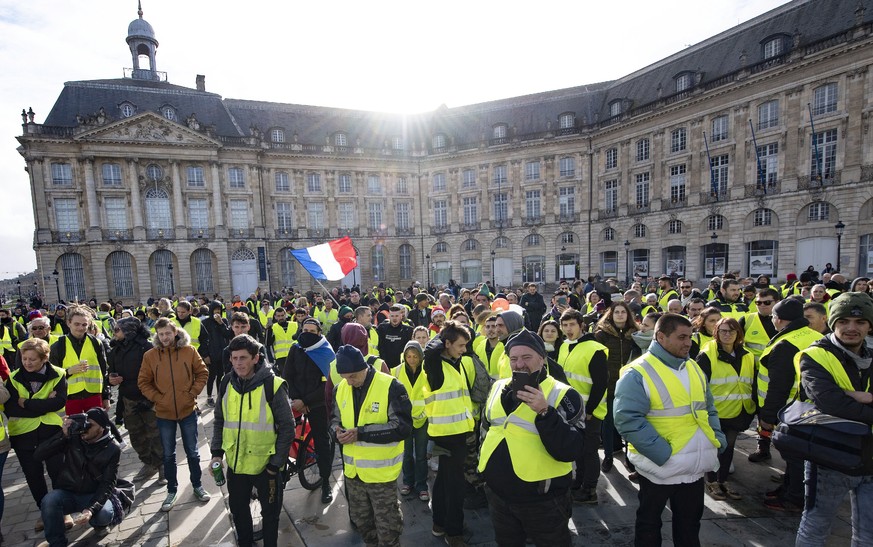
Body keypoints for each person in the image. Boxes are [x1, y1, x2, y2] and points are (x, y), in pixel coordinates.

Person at [614, 314, 726, 547]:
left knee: (689, 526)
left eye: (691, 336)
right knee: (649, 525)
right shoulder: (638, 372)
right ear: (661, 337)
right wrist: (663, 455)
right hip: (659, 468)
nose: (689, 343)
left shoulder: (693, 367)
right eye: (682, 337)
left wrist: (717, 440)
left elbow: (709, 409)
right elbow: (627, 419)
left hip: (693, 467)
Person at [478, 329, 585, 547]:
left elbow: (572, 449)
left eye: (526, 357)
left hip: (543, 500)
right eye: (514, 358)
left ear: (542, 359)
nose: (519, 364)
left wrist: (545, 412)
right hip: (499, 497)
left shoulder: (564, 395)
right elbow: (486, 429)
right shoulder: (498, 386)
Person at [795, 292, 873, 545]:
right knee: (815, 527)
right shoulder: (815, 355)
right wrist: (852, 398)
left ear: (869, 325)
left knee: (868, 533)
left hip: (870, 457)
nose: (851, 328)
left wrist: (853, 396)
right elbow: (832, 404)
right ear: (833, 323)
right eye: (844, 321)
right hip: (830, 457)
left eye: (859, 322)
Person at [210, 334, 294, 547]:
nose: (238, 363)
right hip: (237, 466)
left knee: (271, 516)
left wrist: (276, 465)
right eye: (234, 358)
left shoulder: (273, 386)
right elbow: (219, 419)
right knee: (239, 512)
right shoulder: (226, 382)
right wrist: (216, 454)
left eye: (243, 358)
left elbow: (287, 427)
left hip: (267, 468)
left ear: (256, 358)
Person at [331, 345, 412, 547]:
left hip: (381, 475)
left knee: (388, 528)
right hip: (353, 474)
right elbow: (334, 420)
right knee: (362, 522)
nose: (349, 382)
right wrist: (336, 432)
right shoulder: (341, 388)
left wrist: (361, 433)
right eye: (345, 377)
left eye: (352, 376)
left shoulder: (391, 386)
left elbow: (402, 427)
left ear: (364, 367)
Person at [754, 298, 822, 511]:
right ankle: (789, 488)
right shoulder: (816, 336)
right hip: (812, 408)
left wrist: (767, 416)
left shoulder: (785, 344)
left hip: (791, 410)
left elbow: (778, 385)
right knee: (800, 455)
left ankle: (794, 498)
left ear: (778, 319)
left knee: (794, 456)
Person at [137, 318, 210, 512]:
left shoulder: (189, 351)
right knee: (168, 454)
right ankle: (171, 489)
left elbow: (202, 373)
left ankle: (197, 485)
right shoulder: (150, 356)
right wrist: (157, 398)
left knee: (193, 452)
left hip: (187, 410)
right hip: (164, 413)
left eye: (168, 333)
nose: (165, 337)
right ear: (157, 335)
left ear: (175, 332)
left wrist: (192, 393)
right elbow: (143, 382)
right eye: (161, 334)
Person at [34, 408, 134, 547]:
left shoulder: (112, 449)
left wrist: (91, 509)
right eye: (84, 424)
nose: (84, 429)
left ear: (101, 428)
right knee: (49, 501)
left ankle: (100, 524)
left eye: (90, 425)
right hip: (69, 492)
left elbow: (107, 483)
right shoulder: (74, 438)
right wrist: (62, 435)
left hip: (93, 494)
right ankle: (57, 543)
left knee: (104, 514)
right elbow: (38, 455)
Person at [6, 338, 69, 531]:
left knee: (57, 472)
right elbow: (10, 408)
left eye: (32, 359)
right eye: (24, 358)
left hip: (51, 431)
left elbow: (59, 402)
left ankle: (63, 511)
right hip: (23, 436)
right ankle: (45, 512)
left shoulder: (58, 374)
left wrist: (26, 403)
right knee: (34, 477)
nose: (27, 363)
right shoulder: (14, 378)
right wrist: (43, 406)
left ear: (44, 358)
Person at [422, 321, 475, 546]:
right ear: (447, 344)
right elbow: (430, 349)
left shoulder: (456, 362)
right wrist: (446, 331)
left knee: (444, 479)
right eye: (461, 345)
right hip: (447, 434)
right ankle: (453, 532)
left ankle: (439, 524)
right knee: (455, 485)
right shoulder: (435, 365)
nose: (464, 350)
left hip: (457, 431)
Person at [695, 317, 755, 501]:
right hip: (716, 413)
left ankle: (723, 480)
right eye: (723, 331)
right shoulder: (707, 355)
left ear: (738, 333)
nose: (727, 334)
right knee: (715, 448)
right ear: (716, 333)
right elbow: (700, 386)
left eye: (732, 331)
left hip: (738, 411)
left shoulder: (747, 355)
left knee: (728, 448)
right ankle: (711, 480)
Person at [283, 317, 337, 503]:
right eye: (304, 330)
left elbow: (329, 384)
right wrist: (298, 399)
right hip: (297, 400)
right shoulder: (295, 348)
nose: (307, 334)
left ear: (319, 333)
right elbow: (288, 375)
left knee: (321, 442)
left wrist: (306, 400)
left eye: (312, 331)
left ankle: (325, 483)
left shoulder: (326, 351)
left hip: (317, 403)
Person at [558, 308, 608, 504]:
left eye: (572, 325)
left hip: (589, 411)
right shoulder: (564, 346)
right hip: (571, 410)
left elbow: (601, 383)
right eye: (565, 325)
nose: (568, 329)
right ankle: (578, 482)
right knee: (578, 450)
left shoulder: (594, 349)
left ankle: (590, 489)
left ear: (581, 326)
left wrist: (590, 410)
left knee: (589, 451)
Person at [107, 317, 163, 483]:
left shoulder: (146, 347)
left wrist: (150, 398)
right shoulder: (115, 349)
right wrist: (110, 380)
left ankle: (162, 467)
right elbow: (111, 373)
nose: (114, 333)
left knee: (156, 434)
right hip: (128, 399)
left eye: (117, 330)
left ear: (128, 330)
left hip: (149, 398)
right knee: (136, 435)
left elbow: (159, 374)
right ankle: (148, 464)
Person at [594, 302, 639, 472]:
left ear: (628, 315)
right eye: (616, 312)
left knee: (628, 420)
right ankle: (608, 455)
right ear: (610, 315)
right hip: (609, 382)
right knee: (608, 422)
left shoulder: (635, 334)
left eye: (623, 312)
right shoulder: (602, 334)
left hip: (630, 384)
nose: (620, 315)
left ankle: (629, 456)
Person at [48, 305, 110, 415]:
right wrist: (68, 372)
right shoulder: (58, 346)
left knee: (96, 429)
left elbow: (104, 370)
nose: (80, 328)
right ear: (69, 323)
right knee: (74, 430)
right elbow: (52, 374)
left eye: (84, 324)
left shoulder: (96, 343)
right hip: (70, 397)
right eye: (76, 324)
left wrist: (106, 396)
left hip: (94, 395)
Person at [392, 341, 429, 501]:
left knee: (421, 455)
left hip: (423, 419)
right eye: (409, 356)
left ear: (420, 357)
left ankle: (422, 485)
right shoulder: (397, 371)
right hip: (404, 421)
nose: (412, 359)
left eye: (415, 356)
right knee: (407, 454)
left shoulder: (428, 370)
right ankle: (407, 482)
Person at [201, 301, 231, 406]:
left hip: (222, 353)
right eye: (215, 309)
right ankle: (209, 397)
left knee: (220, 376)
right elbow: (203, 341)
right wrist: (205, 355)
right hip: (211, 354)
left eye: (219, 310)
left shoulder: (224, 321)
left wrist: (221, 323)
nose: (217, 312)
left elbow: (228, 334)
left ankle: (220, 396)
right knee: (211, 376)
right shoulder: (205, 323)